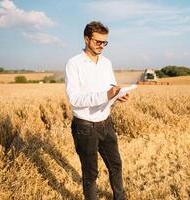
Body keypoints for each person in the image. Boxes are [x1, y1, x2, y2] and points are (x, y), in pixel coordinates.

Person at [65, 21, 128, 200]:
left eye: (104, 42)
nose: (101, 46)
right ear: (86, 39)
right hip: (85, 128)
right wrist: (106, 95)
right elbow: (74, 99)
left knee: (116, 165)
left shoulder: (107, 63)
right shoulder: (74, 64)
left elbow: (111, 88)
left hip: (106, 124)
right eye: (98, 41)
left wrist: (118, 95)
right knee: (90, 173)